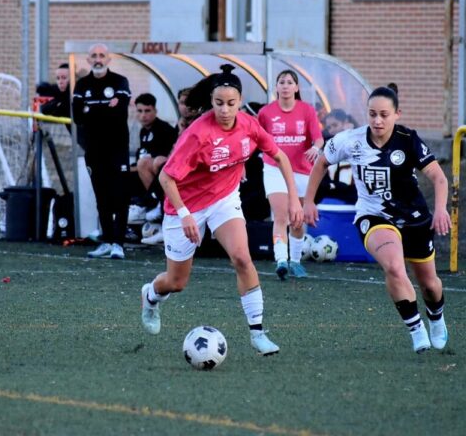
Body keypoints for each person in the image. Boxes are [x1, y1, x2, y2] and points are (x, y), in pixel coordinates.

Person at [139, 65, 302, 356]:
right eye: (218, 104)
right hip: (185, 206)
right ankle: (150, 296)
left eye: (231, 103)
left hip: (224, 200)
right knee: (176, 282)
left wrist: (294, 199)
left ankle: (258, 333)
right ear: (211, 102)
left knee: (242, 257)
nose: (225, 110)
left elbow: (279, 156)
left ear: (240, 101)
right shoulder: (197, 134)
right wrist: (185, 212)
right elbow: (166, 177)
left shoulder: (249, 125)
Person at [303, 86, 451, 354]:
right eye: (372, 114)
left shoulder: (409, 140)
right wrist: (308, 201)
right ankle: (417, 330)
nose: (377, 121)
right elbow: (322, 163)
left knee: (429, 283)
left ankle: (436, 319)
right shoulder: (352, 139)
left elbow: (439, 178)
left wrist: (441, 210)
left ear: (397, 114)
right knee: (394, 267)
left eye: (384, 114)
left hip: (415, 218)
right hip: (374, 216)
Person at [257, 70, 324, 280]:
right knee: (281, 216)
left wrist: (316, 147)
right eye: (281, 82)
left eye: (289, 82)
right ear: (276, 87)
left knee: (297, 220)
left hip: (302, 170)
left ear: (296, 88)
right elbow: (255, 139)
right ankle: (281, 261)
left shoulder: (307, 111)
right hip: (274, 168)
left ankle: (295, 261)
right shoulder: (266, 113)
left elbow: (319, 139)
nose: (285, 86)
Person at [72, 44, 132, 259]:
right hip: (94, 149)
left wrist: (92, 110)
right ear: (88, 60)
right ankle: (107, 241)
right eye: (94, 56)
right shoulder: (82, 84)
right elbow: (78, 116)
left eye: (102, 56)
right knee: (102, 196)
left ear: (108, 59)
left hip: (117, 148)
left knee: (120, 195)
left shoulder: (119, 81)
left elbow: (120, 111)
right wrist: (106, 107)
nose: (98, 59)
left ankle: (119, 244)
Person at [127, 94, 178, 234]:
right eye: (140, 111)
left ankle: (155, 204)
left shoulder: (164, 129)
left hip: (167, 176)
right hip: (152, 175)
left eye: (147, 111)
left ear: (155, 111)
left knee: (147, 163)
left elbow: (163, 159)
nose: (143, 115)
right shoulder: (144, 131)